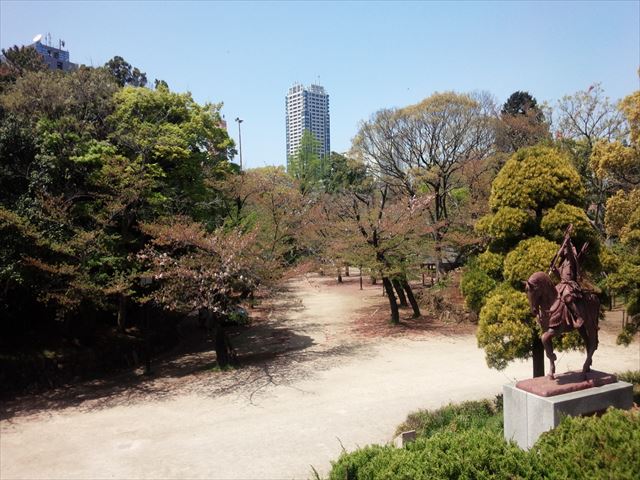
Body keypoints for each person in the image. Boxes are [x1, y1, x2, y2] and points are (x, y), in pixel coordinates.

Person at [548, 227, 588, 330]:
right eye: (564, 249)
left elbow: (570, 252)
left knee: (567, 297)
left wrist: (568, 240)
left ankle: (578, 317)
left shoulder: (572, 262)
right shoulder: (562, 264)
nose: (565, 250)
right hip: (561, 285)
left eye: (566, 249)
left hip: (570, 285)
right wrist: (554, 268)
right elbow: (559, 276)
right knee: (550, 296)